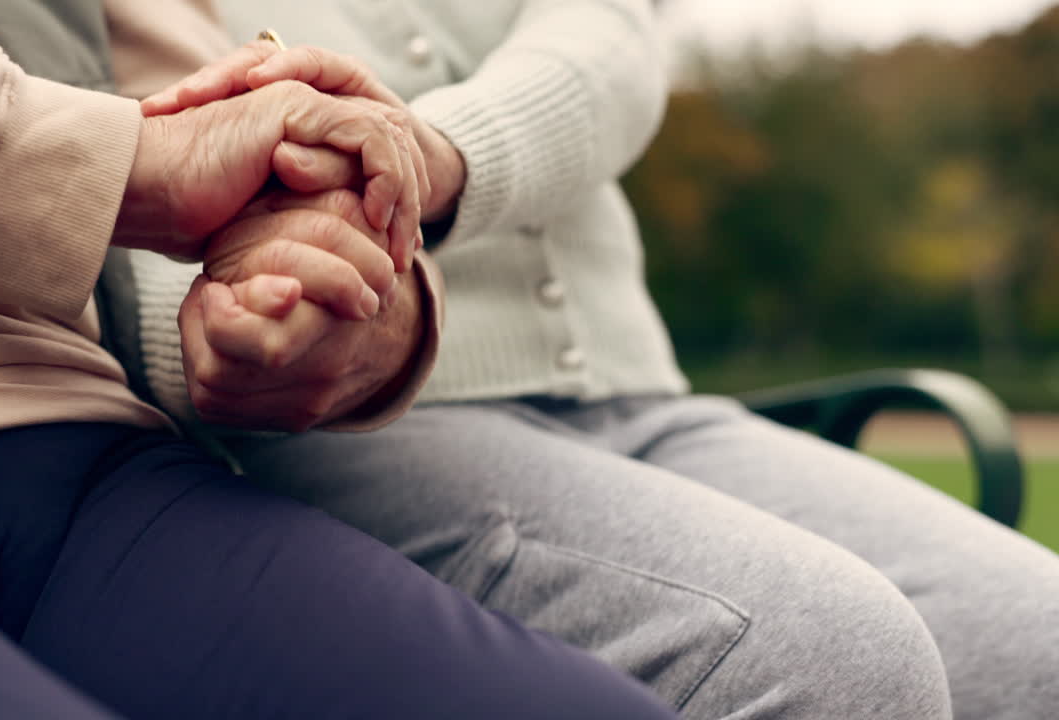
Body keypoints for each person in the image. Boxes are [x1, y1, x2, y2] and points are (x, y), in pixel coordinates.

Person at [136, 1, 1059, 718]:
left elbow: (608, 42)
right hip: (360, 427)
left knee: (1041, 641)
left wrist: (424, 153)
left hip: (638, 394)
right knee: (837, 660)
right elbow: (128, 148)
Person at [0, 1, 683, 718]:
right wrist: (145, 166)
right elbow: (164, 156)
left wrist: (341, 291)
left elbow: (203, 117)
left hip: (77, 454)